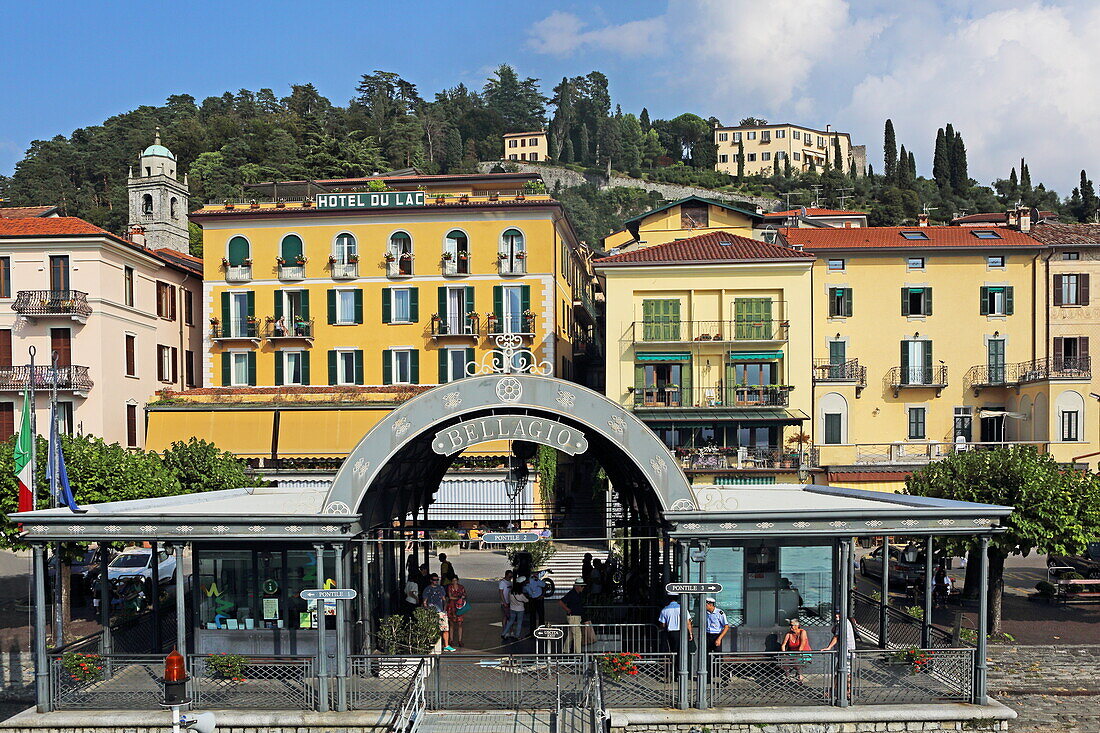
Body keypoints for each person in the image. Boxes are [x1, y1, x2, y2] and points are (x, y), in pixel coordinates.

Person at [421, 573, 455, 652]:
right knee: (433, 629)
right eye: (434, 580)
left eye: (437, 580)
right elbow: (425, 601)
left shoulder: (441, 588)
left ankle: (446, 645)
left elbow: (444, 599)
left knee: (445, 628)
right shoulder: (427, 589)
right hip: (432, 612)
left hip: (441, 611)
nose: (436, 581)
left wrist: (444, 609)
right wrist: (427, 610)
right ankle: (431, 644)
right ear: (431, 580)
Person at [658, 595, 693, 660]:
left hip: (671, 633)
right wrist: (690, 633)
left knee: (672, 651)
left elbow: (662, 625)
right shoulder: (683, 608)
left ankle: (673, 667)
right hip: (682, 632)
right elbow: (688, 622)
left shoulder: (665, 610)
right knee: (682, 651)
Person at [559, 578, 587, 653]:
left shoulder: (577, 594)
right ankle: (578, 653)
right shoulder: (572, 594)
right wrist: (567, 609)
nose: (583, 588)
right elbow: (561, 602)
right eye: (582, 586)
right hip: (573, 616)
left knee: (571, 634)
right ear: (578, 586)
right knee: (577, 635)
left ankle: (565, 650)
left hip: (576, 616)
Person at [780, 618, 812, 683]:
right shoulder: (788, 634)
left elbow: (802, 645)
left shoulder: (803, 632)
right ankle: (787, 676)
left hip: (803, 653)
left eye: (792, 625)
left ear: (797, 626)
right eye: (790, 625)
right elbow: (783, 644)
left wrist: (797, 654)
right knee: (784, 660)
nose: (790, 627)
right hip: (793, 654)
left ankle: (800, 676)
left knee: (797, 660)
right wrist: (784, 653)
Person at [446, 575, 467, 648]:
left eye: (456, 580)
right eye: (453, 581)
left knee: (460, 624)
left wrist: (462, 598)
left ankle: (460, 640)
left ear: (458, 580)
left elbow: (465, 595)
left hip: (459, 607)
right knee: (451, 624)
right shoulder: (450, 587)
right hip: (452, 607)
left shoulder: (461, 587)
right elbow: (450, 596)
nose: (455, 582)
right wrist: (459, 597)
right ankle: (451, 640)